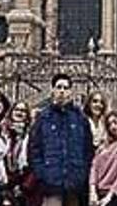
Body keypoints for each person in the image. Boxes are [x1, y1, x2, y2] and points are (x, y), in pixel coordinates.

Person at [29, 74, 94, 206]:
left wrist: (82, 173)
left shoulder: (80, 118)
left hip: (74, 182)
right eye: (59, 87)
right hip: (51, 182)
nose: (62, 91)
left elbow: (87, 149)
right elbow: (34, 149)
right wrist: (42, 174)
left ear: (71, 91)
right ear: (52, 90)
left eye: (65, 87)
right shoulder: (43, 118)